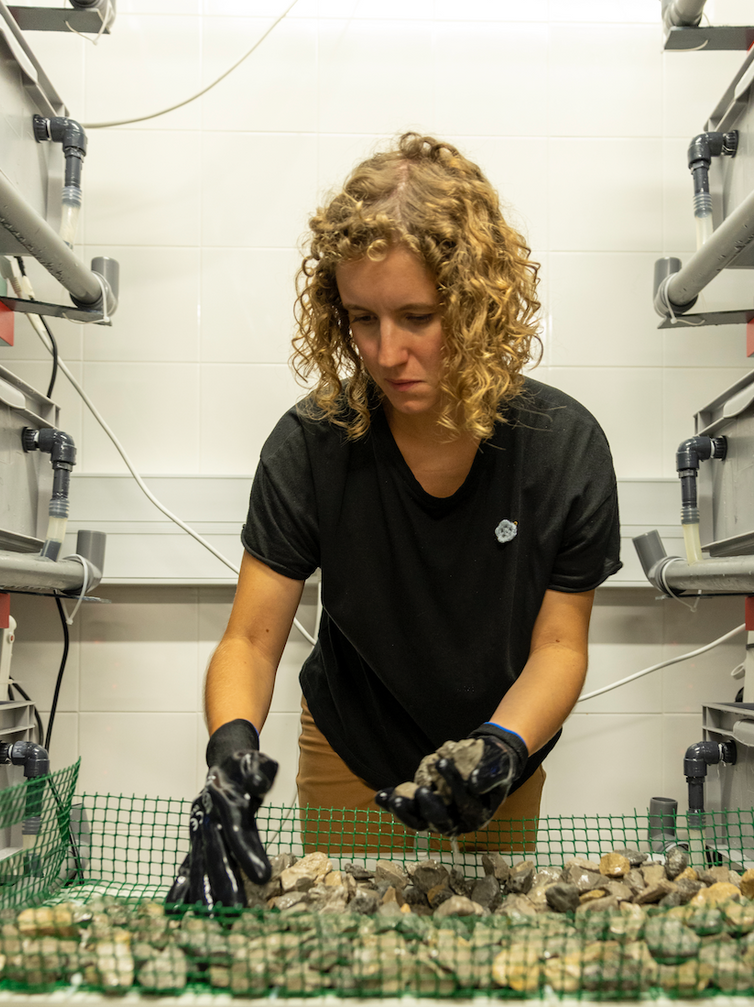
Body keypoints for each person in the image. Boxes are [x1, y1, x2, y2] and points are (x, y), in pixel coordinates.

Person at [168, 133, 621, 909]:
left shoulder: (564, 447)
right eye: (362, 319)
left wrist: (503, 748)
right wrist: (229, 756)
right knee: (345, 947)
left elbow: (558, 647)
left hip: (499, 746)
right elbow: (250, 638)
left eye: (418, 316)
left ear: (477, 300)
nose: (387, 352)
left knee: (483, 956)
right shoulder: (312, 442)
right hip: (352, 742)